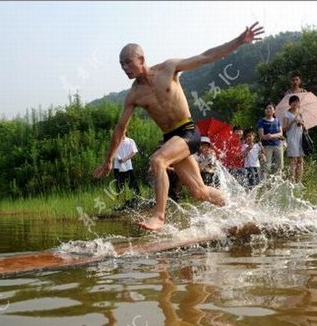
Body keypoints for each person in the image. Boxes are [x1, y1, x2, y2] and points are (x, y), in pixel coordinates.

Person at [93, 23, 265, 231]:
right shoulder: (133, 95)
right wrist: (109, 159)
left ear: (141, 59)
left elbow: (206, 57)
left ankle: (159, 216)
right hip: (171, 139)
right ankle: (242, 210)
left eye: (128, 63)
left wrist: (239, 41)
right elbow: (120, 129)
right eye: (122, 65)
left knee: (157, 160)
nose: (125, 68)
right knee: (199, 191)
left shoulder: (168, 68)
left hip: (188, 131)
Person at [282, 95, 305, 182]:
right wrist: (293, 121)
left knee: (300, 160)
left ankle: (299, 181)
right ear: (290, 104)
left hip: (300, 139)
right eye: (293, 102)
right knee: (293, 160)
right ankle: (292, 180)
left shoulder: (300, 114)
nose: (295, 103)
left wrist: (301, 123)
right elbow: (284, 129)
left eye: (297, 101)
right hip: (292, 139)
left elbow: (303, 127)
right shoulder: (287, 115)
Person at [112, 136, 141, 208]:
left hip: (128, 167)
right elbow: (112, 151)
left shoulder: (130, 141)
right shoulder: (115, 140)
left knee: (133, 185)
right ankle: (122, 204)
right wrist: (119, 159)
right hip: (117, 167)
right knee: (119, 186)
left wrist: (125, 159)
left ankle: (137, 201)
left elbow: (134, 151)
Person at [257, 103, 284, 177]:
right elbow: (262, 136)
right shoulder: (261, 121)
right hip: (267, 146)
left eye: (270, 108)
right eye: (266, 108)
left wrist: (271, 136)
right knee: (266, 167)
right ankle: (264, 185)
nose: (268, 110)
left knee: (279, 167)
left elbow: (281, 133)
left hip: (278, 145)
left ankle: (277, 184)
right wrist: (268, 136)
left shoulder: (277, 121)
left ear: (274, 111)